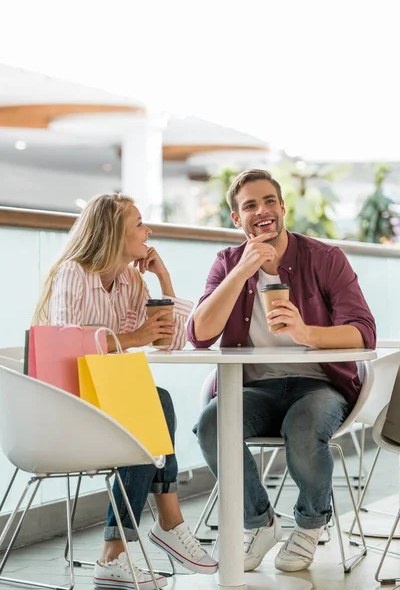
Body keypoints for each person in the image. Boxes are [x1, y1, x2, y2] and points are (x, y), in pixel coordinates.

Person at [188, 169, 376, 573]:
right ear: (237, 220)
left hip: (319, 385)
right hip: (257, 388)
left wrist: (306, 331)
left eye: (269, 201)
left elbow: (363, 333)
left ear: (283, 207)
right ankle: (260, 523)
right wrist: (242, 271)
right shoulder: (227, 263)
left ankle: (309, 525)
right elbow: (200, 335)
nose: (263, 211)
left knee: (305, 427)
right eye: (250, 206)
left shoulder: (325, 259)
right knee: (211, 424)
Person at [33, 193, 217, 590]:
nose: (148, 231)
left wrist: (163, 280)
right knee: (154, 401)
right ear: (114, 233)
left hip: (114, 403)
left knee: (153, 400)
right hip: (67, 405)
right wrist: (133, 337)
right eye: (139, 224)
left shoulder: (131, 280)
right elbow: (68, 347)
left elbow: (173, 342)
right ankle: (166, 524)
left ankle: (118, 553)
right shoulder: (73, 273)